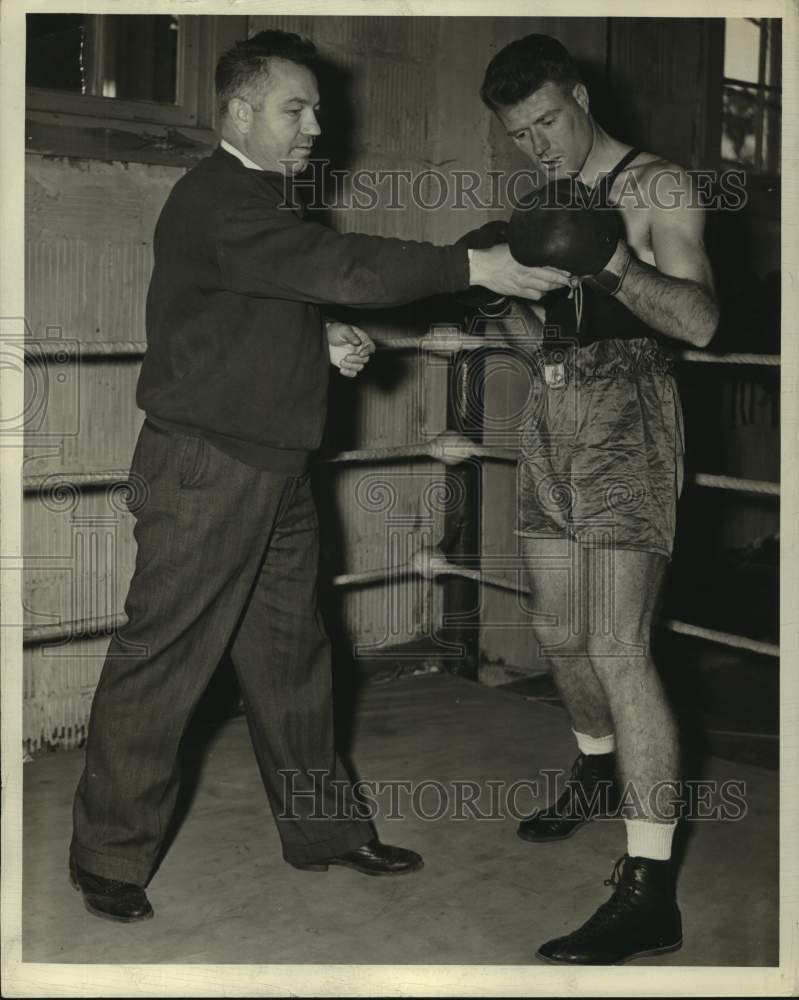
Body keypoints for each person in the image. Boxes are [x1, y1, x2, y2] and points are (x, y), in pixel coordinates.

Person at [68, 29, 567, 923]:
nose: (314, 125)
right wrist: (471, 264)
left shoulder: (266, 205)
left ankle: (325, 832)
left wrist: (322, 337)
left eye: (315, 109)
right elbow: (335, 267)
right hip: (207, 470)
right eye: (295, 109)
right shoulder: (219, 199)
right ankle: (106, 855)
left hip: (275, 468)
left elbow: (268, 301)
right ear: (239, 111)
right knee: (164, 658)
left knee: (293, 660)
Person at [478, 34, 719, 964]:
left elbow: (699, 320)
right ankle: (591, 770)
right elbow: (538, 344)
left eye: (548, 122)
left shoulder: (658, 187)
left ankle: (648, 888)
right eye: (519, 134)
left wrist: (610, 262)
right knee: (556, 630)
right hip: (551, 414)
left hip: (632, 418)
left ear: (580, 96)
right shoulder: (538, 198)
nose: (537, 146)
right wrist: (493, 306)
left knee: (620, 645)